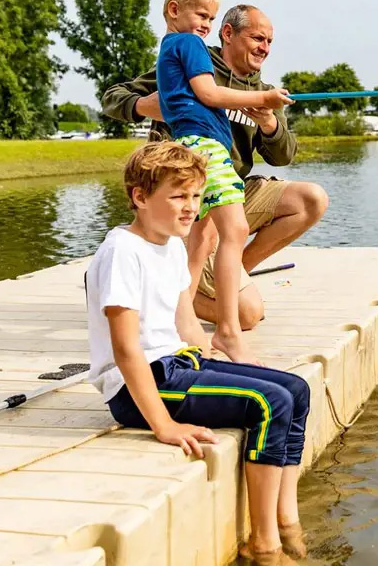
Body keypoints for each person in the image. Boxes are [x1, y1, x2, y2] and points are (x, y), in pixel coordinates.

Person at [86, 142, 307, 565]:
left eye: (195, 196)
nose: (191, 208)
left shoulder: (171, 244)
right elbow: (126, 349)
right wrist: (164, 425)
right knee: (270, 403)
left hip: (178, 366)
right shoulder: (122, 252)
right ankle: (264, 543)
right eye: (178, 197)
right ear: (140, 197)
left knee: (295, 389)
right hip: (139, 387)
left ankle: (287, 518)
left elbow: (185, 322)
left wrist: (225, 366)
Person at [101, 4, 329, 331]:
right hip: (186, 201)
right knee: (248, 314)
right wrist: (147, 105)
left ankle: (231, 272)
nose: (265, 48)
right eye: (257, 38)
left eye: (269, 42)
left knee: (311, 199)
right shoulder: (190, 60)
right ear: (228, 34)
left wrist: (269, 124)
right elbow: (112, 97)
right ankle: (167, 294)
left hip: (230, 192)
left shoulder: (264, 92)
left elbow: (284, 157)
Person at [154, 0, 293, 364]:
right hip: (206, 145)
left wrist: (265, 111)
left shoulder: (170, 46)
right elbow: (209, 93)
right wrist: (263, 97)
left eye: (211, 19)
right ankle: (229, 332)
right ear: (174, 10)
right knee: (234, 231)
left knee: (201, 241)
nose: (207, 26)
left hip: (190, 144)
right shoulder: (190, 45)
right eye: (202, 16)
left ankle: (182, 324)